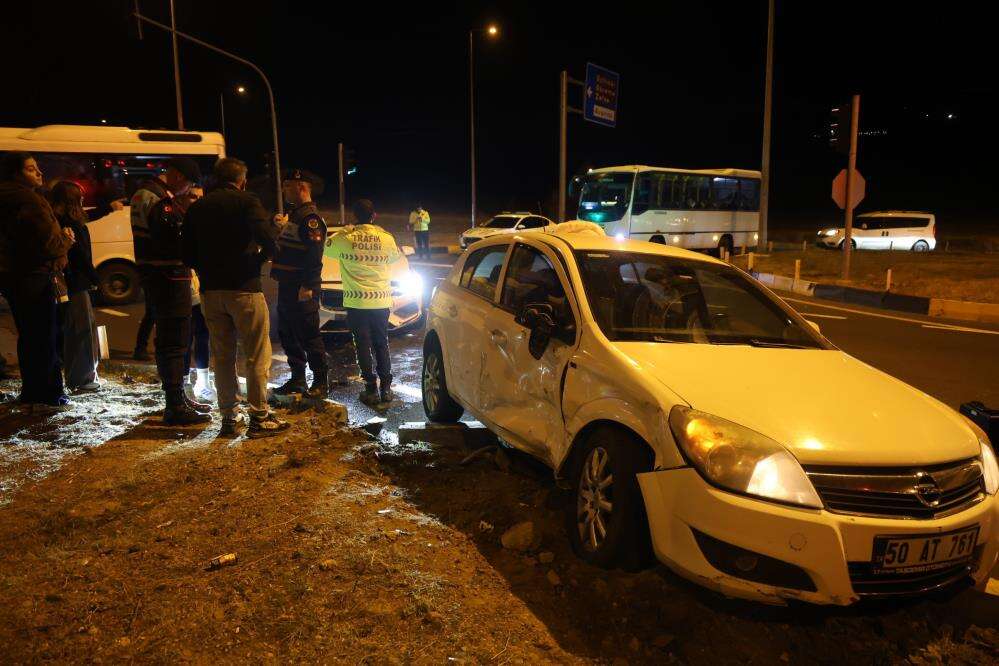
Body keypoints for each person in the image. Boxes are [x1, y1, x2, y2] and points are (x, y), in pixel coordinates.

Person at [183, 157, 289, 438]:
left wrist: (207, 269)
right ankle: (259, 417)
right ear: (242, 180)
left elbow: (187, 254)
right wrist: (257, 262)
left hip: (210, 292)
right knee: (256, 354)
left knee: (223, 354)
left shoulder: (197, 208)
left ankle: (229, 417)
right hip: (244, 288)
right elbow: (269, 241)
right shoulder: (246, 202)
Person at [130, 157, 211, 425]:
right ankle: (175, 404)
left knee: (171, 339)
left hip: (160, 277)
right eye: (187, 183)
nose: (187, 189)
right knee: (175, 341)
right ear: (176, 176)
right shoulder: (158, 199)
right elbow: (171, 241)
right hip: (169, 277)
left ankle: (178, 398)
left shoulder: (146, 194)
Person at [0, 152, 75, 411]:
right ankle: (49, 395)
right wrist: (66, 239)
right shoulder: (29, 200)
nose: (40, 173)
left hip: (13, 275)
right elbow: (49, 243)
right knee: (44, 335)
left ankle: (32, 391)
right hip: (35, 275)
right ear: (16, 173)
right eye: (32, 169)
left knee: (29, 335)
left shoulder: (6, 197)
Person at [328, 199, 400, 405]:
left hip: (357, 303)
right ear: (374, 215)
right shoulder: (385, 237)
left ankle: (370, 388)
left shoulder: (346, 238)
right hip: (380, 301)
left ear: (354, 216)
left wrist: (344, 231)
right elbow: (394, 258)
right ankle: (386, 388)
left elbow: (326, 248)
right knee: (381, 343)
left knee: (362, 344)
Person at [270, 169, 329, 398]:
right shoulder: (295, 215)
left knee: (308, 333)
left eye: (288, 186)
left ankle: (320, 381)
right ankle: (297, 379)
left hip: (301, 286)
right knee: (287, 332)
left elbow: (314, 256)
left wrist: (308, 286)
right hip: (287, 284)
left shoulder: (310, 218)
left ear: (301, 188)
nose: (284, 190)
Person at [49, 181, 102, 392]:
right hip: (76, 282)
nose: (82, 201)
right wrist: (94, 277)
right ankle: (82, 379)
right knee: (81, 329)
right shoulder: (70, 223)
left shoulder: (59, 219)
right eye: (79, 198)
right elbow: (79, 255)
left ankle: (81, 376)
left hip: (73, 281)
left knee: (76, 328)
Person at [176, 187, 212, 401]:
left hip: (198, 289)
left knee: (203, 336)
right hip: (181, 287)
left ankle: (204, 382)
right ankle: (184, 384)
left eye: (200, 197)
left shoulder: (203, 221)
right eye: (192, 196)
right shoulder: (178, 218)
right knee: (184, 338)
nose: (197, 201)